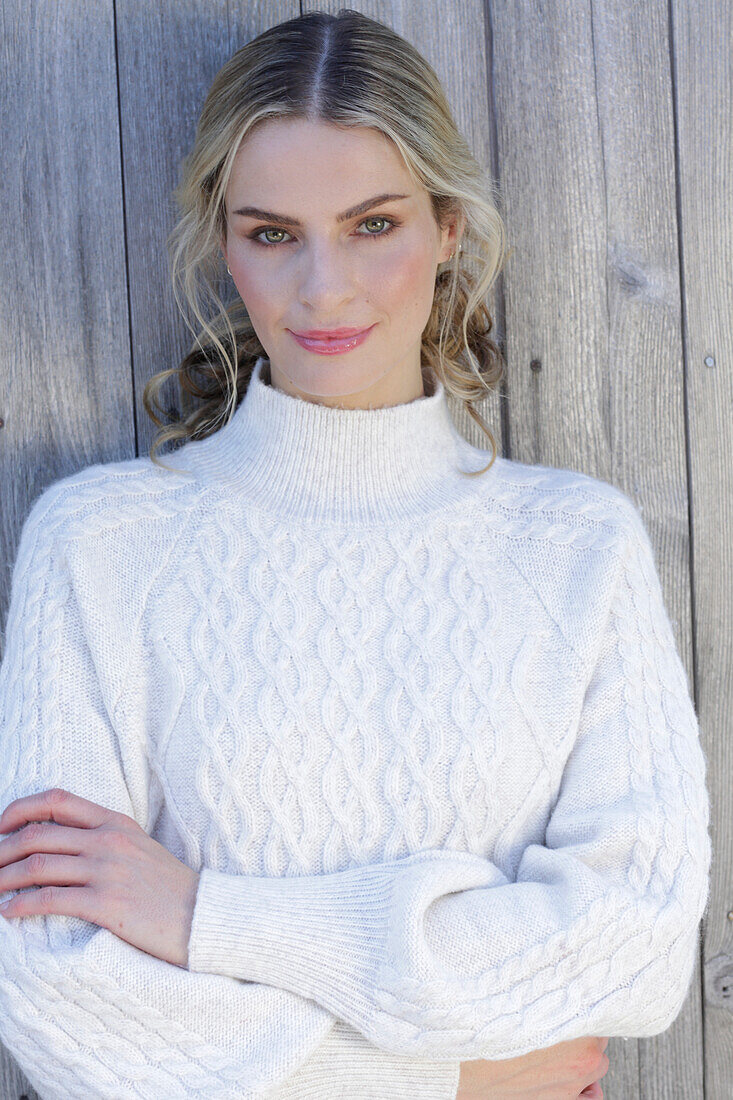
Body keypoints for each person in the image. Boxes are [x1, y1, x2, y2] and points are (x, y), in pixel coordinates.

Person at [0, 9, 710, 1099]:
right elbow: (55, 989)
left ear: (448, 230)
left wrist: (205, 915)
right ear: (223, 242)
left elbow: (636, 944)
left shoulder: (578, 549)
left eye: (372, 224)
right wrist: (452, 1081)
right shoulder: (98, 548)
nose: (322, 287)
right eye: (272, 232)